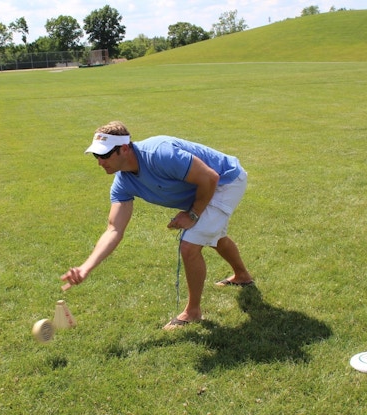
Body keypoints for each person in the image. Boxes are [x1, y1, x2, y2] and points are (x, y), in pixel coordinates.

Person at [60, 121, 254, 330]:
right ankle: (242, 276)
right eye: (96, 156)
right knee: (211, 235)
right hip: (204, 187)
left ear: (124, 148)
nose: (100, 162)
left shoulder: (160, 154)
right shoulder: (123, 183)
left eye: (105, 155)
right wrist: (85, 268)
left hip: (226, 182)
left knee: (190, 245)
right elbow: (114, 229)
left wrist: (193, 214)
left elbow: (210, 177)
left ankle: (193, 312)